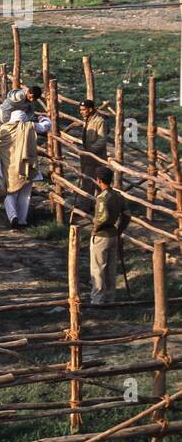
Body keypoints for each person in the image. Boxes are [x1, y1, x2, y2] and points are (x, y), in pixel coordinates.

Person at [89, 167, 129, 305]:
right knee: (111, 269)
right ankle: (110, 298)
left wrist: (95, 228)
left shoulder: (102, 198)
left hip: (101, 235)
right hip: (113, 235)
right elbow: (127, 215)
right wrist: (120, 230)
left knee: (98, 269)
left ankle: (98, 299)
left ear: (98, 180)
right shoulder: (118, 196)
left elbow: (103, 217)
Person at [0, 110, 38, 229]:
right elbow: (46, 126)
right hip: (25, 167)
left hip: (8, 169)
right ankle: (22, 220)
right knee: (25, 196)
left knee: (9, 193)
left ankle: (13, 216)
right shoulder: (28, 127)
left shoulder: (3, 131)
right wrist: (44, 119)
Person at [79, 99, 109, 200]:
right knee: (87, 180)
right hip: (88, 156)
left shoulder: (100, 121)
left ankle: (88, 206)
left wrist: (91, 150)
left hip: (97, 157)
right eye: (81, 110)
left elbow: (102, 139)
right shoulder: (87, 119)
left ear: (90, 109)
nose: (81, 112)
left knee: (95, 182)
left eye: (83, 109)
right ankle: (89, 205)